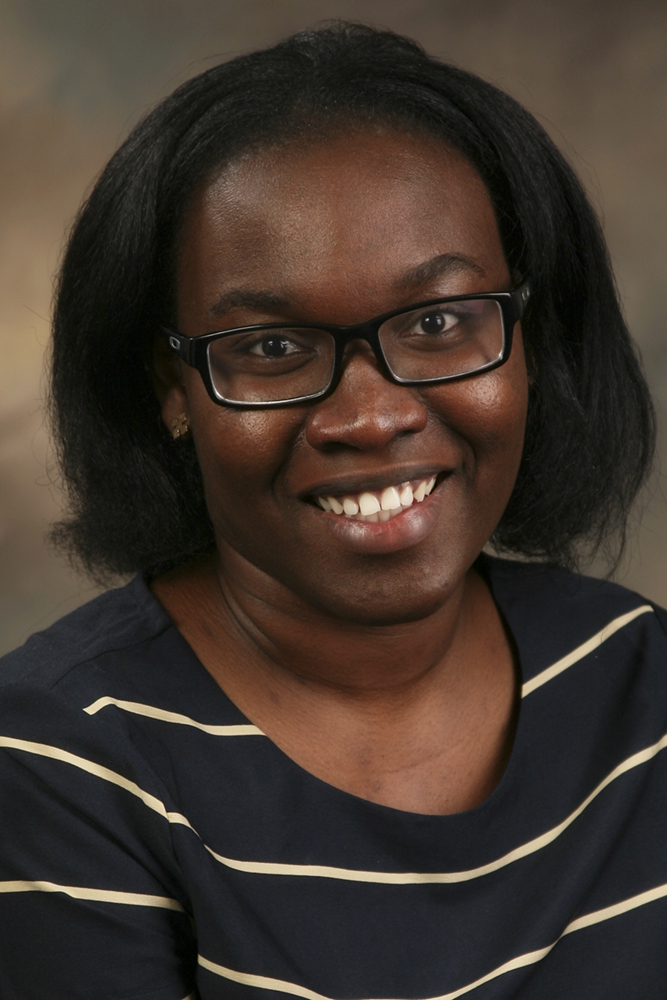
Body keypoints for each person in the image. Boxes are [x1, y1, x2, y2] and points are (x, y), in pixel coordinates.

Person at [0, 21, 665, 1000]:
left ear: (529, 335)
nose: (369, 415)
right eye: (271, 347)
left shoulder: (637, 681)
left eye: (439, 321)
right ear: (170, 386)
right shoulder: (66, 757)